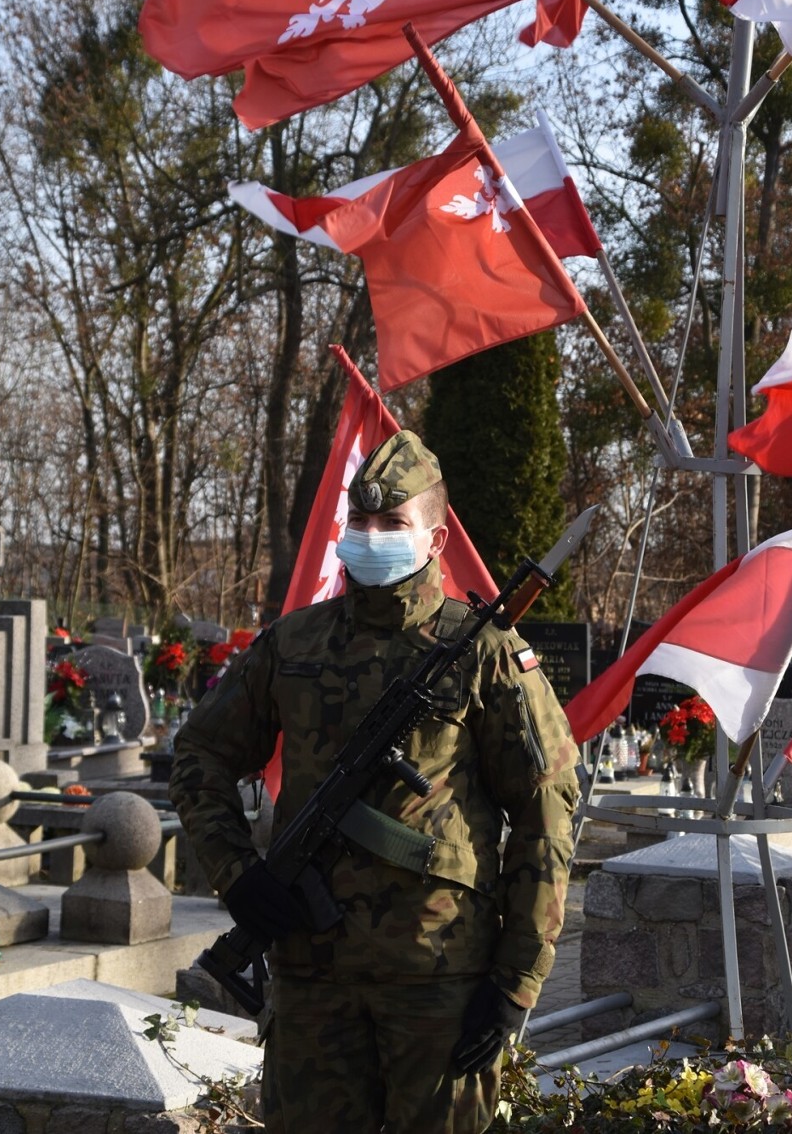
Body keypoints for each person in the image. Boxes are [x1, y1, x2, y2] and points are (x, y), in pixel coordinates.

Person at [169, 430, 580, 1134]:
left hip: (440, 978)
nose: (370, 536)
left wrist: (517, 979)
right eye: (359, 522)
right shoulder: (292, 643)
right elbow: (199, 756)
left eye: (392, 523)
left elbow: (547, 810)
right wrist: (238, 875)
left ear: (436, 539)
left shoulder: (483, 653)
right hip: (311, 975)